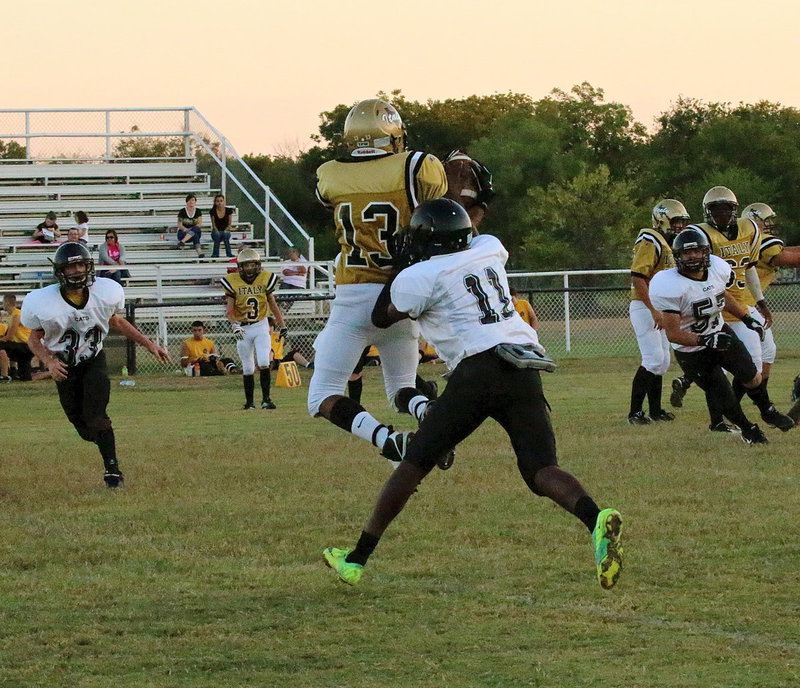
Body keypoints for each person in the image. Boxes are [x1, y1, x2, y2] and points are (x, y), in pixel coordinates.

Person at [323, 198, 623, 589]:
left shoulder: (421, 275)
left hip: (478, 369)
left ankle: (356, 559)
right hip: (523, 362)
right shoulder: (489, 248)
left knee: (413, 463)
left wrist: (399, 265)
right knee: (540, 469)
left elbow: (381, 316)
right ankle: (594, 519)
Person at [308, 97, 451, 466]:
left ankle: (387, 440)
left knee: (322, 395)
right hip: (402, 296)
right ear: (393, 135)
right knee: (402, 388)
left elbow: (333, 201)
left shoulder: (330, 174)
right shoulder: (418, 167)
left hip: (354, 298)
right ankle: (429, 417)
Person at [20, 242, 171, 487]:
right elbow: (33, 338)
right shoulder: (43, 302)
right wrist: (49, 361)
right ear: (60, 271)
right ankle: (101, 438)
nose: (78, 270)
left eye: (81, 264)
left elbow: (117, 322)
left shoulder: (105, 292)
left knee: (96, 415)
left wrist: (149, 344)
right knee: (84, 428)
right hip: (65, 367)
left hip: (93, 361)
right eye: (72, 266)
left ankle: (113, 471)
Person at [669, 187, 793, 431]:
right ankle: (724, 416)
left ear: (735, 209)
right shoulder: (698, 234)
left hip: (741, 303)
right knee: (728, 369)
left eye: (726, 208)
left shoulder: (749, 229)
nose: (722, 213)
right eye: (716, 209)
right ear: (708, 212)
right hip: (715, 307)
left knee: (758, 360)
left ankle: (736, 411)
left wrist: (760, 303)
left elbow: (749, 268)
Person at [649, 228, 771, 444]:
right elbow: (673, 334)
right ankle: (748, 430)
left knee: (751, 373)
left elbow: (721, 293)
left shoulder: (718, 269)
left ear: (707, 252)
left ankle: (767, 411)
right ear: (678, 257)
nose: (693, 257)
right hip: (693, 349)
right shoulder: (669, 284)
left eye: (697, 251)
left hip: (719, 332)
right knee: (722, 393)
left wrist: (746, 318)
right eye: (687, 254)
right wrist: (705, 340)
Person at [626, 199, 689, 424]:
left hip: (660, 307)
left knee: (662, 362)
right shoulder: (650, 240)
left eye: (682, 222)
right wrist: (653, 309)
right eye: (676, 221)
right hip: (645, 306)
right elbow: (638, 277)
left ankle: (655, 410)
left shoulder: (666, 242)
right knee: (653, 359)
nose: (679, 226)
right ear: (662, 220)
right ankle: (634, 413)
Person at [740, 203, 800, 420]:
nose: (771, 224)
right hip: (741, 304)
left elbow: (788, 251)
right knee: (749, 360)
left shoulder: (756, 241)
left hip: (747, 303)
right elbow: (788, 259)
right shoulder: (762, 241)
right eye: (767, 220)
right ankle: (732, 408)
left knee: (764, 354)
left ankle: (763, 405)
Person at [220, 248, 286, 409]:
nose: (249, 269)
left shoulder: (265, 279)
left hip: (260, 324)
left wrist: (282, 324)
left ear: (258, 265)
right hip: (242, 328)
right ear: (240, 267)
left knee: (264, 361)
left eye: (252, 265)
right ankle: (249, 403)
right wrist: (234, 324)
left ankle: (266, 399)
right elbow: (229, 309)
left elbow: (272, 302)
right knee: (248, 366)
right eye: (246, 265)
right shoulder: (232, 281)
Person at [0, 294, 34, 381]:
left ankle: (4, 375)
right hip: (24, 347)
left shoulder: (17, 315)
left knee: (2, 345)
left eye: (3, 302)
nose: (2, 305)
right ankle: (13, 372)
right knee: (26, 378)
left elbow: (9, 337)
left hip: (25, 346)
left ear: (6, 303)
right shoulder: (12, 316)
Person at [177, 193, 204, 258]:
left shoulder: (198, 211)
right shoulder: (182, 211)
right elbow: (179, 225)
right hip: (183, 233)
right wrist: (186, 230)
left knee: (196, 229)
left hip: (194, 230)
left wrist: (191, 230)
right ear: (186, 202)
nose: (191, 202)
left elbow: (199, 223)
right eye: (189, 200)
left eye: (193, 200)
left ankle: (182, 242)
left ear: (195, 202)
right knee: (195, 235)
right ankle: (199, 252)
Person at [209, 194, 234, 258]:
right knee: (217, 235)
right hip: (216, 231)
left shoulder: (229, 211)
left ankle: (229, 254)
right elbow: (213, 225)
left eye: (221, 201)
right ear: (215, 202)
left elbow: (229, 224)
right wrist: (217, 231)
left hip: (226, 230)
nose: (219, 203)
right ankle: (215, 254)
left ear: (224, 201)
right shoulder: (212, 211)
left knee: (225, 235)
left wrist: (225, 230)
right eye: (217, 201)